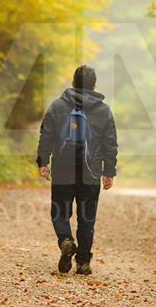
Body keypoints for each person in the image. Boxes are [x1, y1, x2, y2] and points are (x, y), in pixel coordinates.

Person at [36, 65, 118, 275]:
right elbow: (110, 143)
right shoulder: (103, 110)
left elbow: (46, 134)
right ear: (94, 85)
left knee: (60, 212)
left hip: (63, 168)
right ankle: (83, 262)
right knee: (86, 218)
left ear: (72, 82)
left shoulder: (58, 106)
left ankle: (65, 240)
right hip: (90, 172)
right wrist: (109, 171)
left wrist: (43, 162)